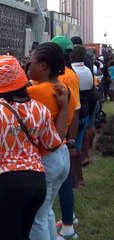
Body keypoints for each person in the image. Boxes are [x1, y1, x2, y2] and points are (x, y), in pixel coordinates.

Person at [0, 55, 68, 240]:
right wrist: (64, 108)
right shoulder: (40, 109)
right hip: (35, 182)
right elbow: (53, 143)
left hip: (2, 185)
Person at [27, 42, 76, 240]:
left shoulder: (35, 93)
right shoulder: (63, 87)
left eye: (31, 62)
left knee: (36, 218)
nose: (28, 66)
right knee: (46, 210)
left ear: (43, 66)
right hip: (61, 154)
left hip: (46, 158)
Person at [51, 36, 80, 239]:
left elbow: (75, 110)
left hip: (57, 137)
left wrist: (71, 142)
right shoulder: (70, 74)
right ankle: (69, 219)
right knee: (63, 183)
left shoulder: (65, 77)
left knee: (61, 184)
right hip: (58, 136)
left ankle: (68, 227)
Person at [70, 44, 94, 188]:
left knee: (71, 147)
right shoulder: (87, 70)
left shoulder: (71, 73)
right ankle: (79, 179)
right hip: (85, 109)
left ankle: (75, 179)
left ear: (71, 56)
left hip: (76, 110)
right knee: (77, 146)